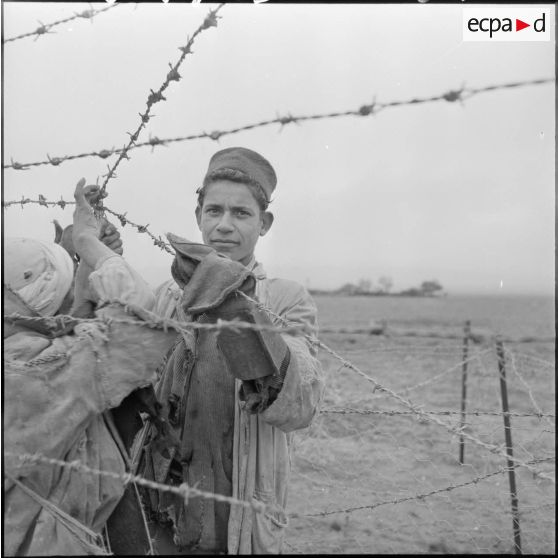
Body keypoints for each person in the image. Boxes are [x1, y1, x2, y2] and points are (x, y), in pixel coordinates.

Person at [133, 147, 325, 554]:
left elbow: (301, 403)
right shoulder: (166, 296)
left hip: (240, 506)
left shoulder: (284, 299)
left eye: (241, 214)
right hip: (165, 500)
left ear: (264, 223)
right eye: (214, 210)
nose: (224, 225)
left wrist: (239, 307)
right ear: (198, 216)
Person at [3, 179, 179, 556]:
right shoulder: (41, 371)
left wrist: (80, 269)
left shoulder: (18, 353)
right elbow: (136, 317)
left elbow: (69, 323)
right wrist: (87, 243)